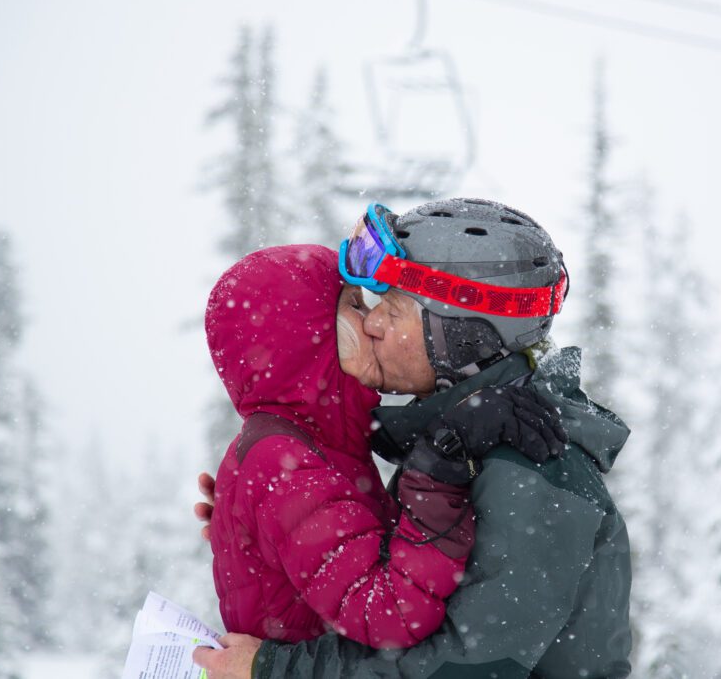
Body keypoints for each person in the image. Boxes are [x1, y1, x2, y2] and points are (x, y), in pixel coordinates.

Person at [195, 199, 633, 678]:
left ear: (458, 335)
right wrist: (268, 527)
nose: (373, 325)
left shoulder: (531, 466)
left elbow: (462, 670)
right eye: (363, 308)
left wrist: (272, 670)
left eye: (392, 309)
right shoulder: (464, 442)